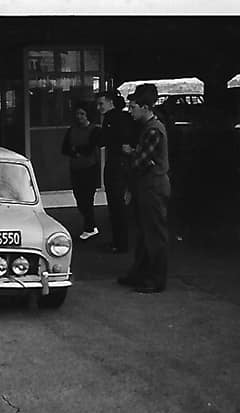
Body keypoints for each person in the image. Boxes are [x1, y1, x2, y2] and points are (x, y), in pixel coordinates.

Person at [118, 84, 171, 294]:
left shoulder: (152, 130)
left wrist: (131, 152)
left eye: (133, 107)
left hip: (153, 186)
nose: (130, 111)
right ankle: (139, 273)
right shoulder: (147, 128)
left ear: (145, 107)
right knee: (142, 232)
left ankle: (156, 279)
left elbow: (139, 161)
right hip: (144, 185)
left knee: (154, 234)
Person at [94, 90, 137, 253]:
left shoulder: (111, 118)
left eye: (101, 104)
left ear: (110, 102)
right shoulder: (124, 117)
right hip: (123, 163)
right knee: (119, 205)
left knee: (116, 205)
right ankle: (120, 242)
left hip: (116, 164)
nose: (99, 108)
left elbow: (103, 141)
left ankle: (120, 243)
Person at [61, 102, 100, 240]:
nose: (79, 117)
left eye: (82, 114)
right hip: (75, 168)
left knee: (87, 198)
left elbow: (89, 148)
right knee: (79, 197)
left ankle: (89, 227)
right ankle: (91, 224)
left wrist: (76, 149)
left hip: (90, 169)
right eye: (77, 114)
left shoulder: (94, 130)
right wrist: (76, 151)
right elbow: (65, 148)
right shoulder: (72, 130)